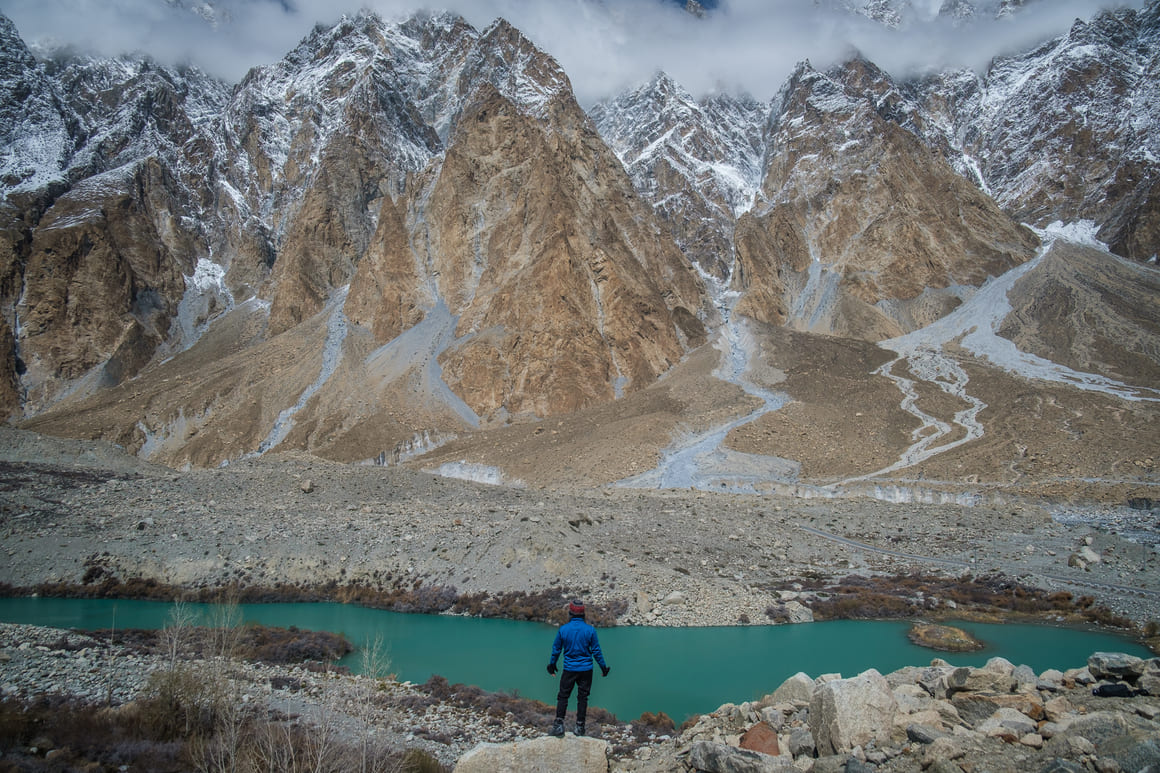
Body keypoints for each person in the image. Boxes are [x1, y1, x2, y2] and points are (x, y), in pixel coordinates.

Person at [546, 599, 610, 737]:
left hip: (569, 669)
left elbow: (556, 649)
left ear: (570, 613)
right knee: (583, 698)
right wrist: (603, 667)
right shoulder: (590, 630)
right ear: (583, 615)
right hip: (586, 670)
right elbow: (596, 651)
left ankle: (558, 725)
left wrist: (552, 665)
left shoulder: (563, 629)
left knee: (563, 696)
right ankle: (580, 727)